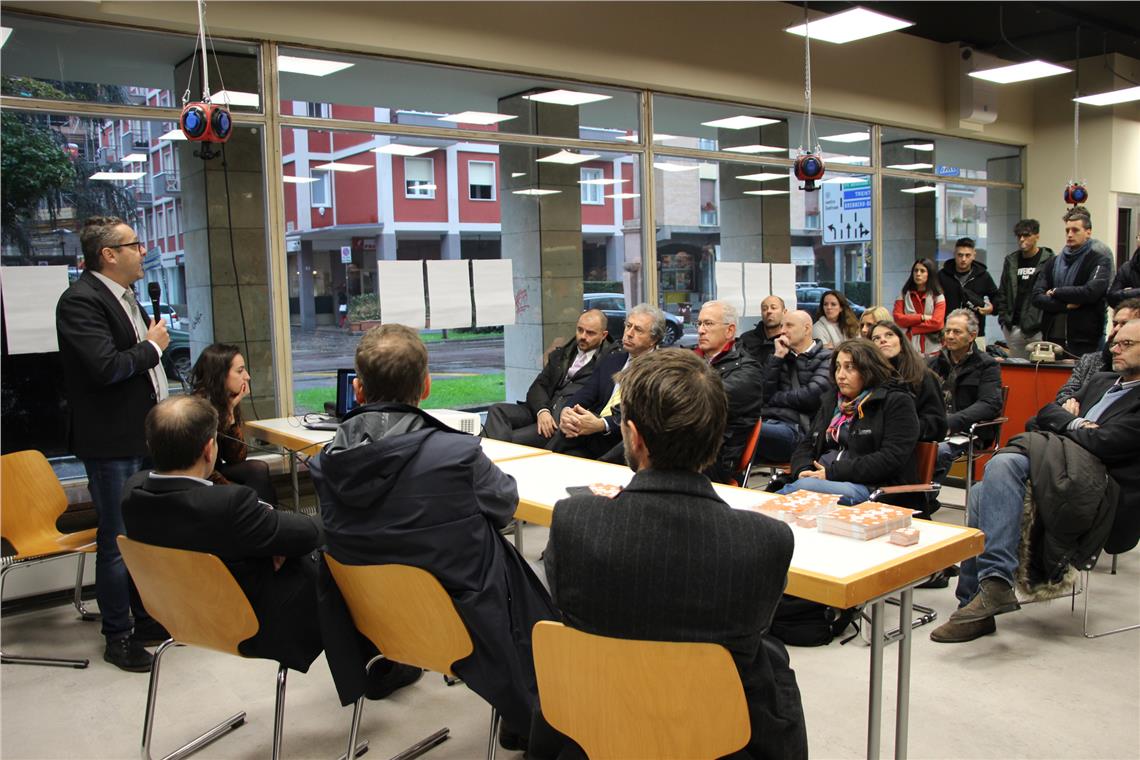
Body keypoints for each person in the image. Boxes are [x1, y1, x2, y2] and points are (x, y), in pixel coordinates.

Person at [537, 349, 808, 760]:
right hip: (718, 739)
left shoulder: (575, 522)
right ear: (716, 434)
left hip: (596, 725)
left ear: (634, 437)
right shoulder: (766, 541)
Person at [310, 324, 556, 748]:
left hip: (374, 617)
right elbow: (504, 505)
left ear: (358, 390)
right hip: (464, 622)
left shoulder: (326, 464)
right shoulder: (455, 455)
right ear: (425, 386)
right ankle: (533, 716)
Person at [930, 320, 1140, 643]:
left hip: (1100, 486)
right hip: (1060, 463)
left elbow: (1106, 443)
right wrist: (1077, 423)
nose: (1115, 349)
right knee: (983, 492)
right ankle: (977, 601)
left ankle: (994, 584)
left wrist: (1066, 421)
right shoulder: (1102, 381)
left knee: (1006, 461)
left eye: (1127, 344)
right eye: (1115, 342)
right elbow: (1041, 415)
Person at [55, 215, 170, 672]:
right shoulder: (80, 301)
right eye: (134, 245)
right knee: (117, 538)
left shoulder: (126, 297)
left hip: (143, 433)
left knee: (141, 535)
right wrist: (153, 348)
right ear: (108, 254)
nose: (142, 251)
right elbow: (106, 367)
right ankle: (118, 636)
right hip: (111, 441)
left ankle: (143, 618)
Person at [780, 338, 919, 503]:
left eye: (850, 367)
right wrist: (803, 469)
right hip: (824, 479)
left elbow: (891, 459)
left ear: (869, 369)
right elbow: (807, 444)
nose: (840, 375)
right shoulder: (832, 400)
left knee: (799, 490)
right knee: (799, 486)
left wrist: (832, 473)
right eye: (838, 367)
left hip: (872, 487)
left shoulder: (896, 401)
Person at [549, 304, 664, 460]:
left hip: (627, 440)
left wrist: (602, 424)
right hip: (594, 434)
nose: (629, 333)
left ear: (653, 339)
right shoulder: (612, 360)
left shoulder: (661, 370)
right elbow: (586, 393)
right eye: (628, 326)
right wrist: (567, 411)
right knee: (563, 442)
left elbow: (643, 415)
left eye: (638, 330)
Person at [482, 310, 614, 447]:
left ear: (603, 335)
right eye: (580, 330)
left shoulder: (609, 362)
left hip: (561, 420)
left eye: (590, 333)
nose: (583, 336)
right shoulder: (563, 353)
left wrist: (556, 415)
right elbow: (538, 386)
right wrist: (542, 410)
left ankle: (489, 454)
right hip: (542, 408)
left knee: (508, 438)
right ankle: (493, 452)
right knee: (497, 410)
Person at [189, 343, 275, 506]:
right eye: (240, 371)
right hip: (200, 475)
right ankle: (258, 513)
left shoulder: (225, 399)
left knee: (257, 468)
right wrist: (240, 497)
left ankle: (267, 514)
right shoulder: (197, 408)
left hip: (215, 468)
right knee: (247, 493)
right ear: (220, 375)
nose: (247, 377)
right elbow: (202, 468)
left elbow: (236, 458)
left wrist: (230, 412)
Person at [927, 309, 1003, 487]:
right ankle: (912, 495)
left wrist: (952, 422)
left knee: (937, 451)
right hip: (934, 428)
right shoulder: (933, 363)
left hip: (969, 431)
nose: (950, 336)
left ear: (972, 336)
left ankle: (926, 496)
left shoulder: (987, 365)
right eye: (947, 331)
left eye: (957, 332)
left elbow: (990, 404)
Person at [693, 300, 764, 483]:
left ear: (729, 331)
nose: (700, 330)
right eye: (699, 323)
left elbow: (701, 403)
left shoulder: (748, 371)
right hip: (684, 442)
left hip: (715, 456)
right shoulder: (689, 359)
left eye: (708, 324)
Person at [1031, 207, 1113, 357]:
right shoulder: (1053, 262)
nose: (1069, 234)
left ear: (1088, 232)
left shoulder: (1099, 259)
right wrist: (1065, 305)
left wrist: (1056, 292)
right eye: (1067, 230)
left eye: (1075, 230)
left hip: (1084, 337)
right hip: (1052, 334)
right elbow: (1036, 296)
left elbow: (1091, 292)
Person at [756, 310, 833, 463]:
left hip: (798, 430)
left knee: (742, 429)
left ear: (807, 329)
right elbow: (762, 395)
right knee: (730, 431)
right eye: (782, 326)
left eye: (789, 326)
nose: (782, 331)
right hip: (768, 421)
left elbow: (811, 397)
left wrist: (773, 398)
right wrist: (777, 357)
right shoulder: (780, 356)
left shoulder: (828, 358)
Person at [869, 320, 947, 443]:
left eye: (889, 335)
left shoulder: (923, 376)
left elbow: (937, 424)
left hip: (910, 445)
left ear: (901, 341)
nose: (882, 340)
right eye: (876, 338)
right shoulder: (868, 379)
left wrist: (902, 428)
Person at [1056, 300, 1140, 402]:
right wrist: (1072, 406)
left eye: (1124, 324)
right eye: (1115, 324)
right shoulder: (1089, 360)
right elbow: (1064, 394)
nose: (1116, 329)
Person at [997, 219, 1055, 359]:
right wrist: (1003, 320)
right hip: (1013, 326)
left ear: (1037, 236)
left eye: (1027, 235)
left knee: (1041, 366)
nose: (1022, 239)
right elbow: (1003, 291)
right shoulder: (1011, 260)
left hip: (1037, 327)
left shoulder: (1049, 260)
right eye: (1019, 236)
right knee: (1018, 366)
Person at [938, 237, 1000, 339]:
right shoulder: (942, 275)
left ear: (974, 255)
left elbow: (996, 296)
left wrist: (992, 308)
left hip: (975, 332)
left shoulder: (983, 276)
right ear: (954, 254)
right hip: (948, 332)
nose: (963, 259)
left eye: (967, 255)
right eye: (960, 255)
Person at [893, 258, 946, 357]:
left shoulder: (938, 296)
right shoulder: (903, 295)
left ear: (929, 274)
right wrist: (922, 317)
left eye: (922, 271)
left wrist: (912, 328)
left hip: (933, 348)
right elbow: (898, 319)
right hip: (908, 348)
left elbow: (937, 323)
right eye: (916, 270)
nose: (918, 274)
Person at [738, 294, 786, 365]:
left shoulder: (787, 340)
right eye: (764, 309)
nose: (769, 311)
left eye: (773, 308)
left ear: (784, 312)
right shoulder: (746, 338)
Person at [1107, 237, 1140, 308]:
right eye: (1139, 237)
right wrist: (1135, 292)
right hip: (1132, 313)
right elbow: (1112, 298)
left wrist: (1129, 293)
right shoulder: (1127, 268)